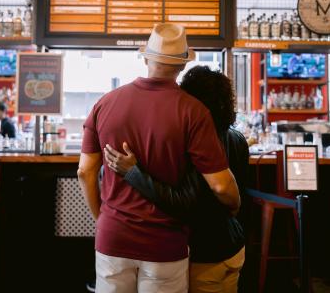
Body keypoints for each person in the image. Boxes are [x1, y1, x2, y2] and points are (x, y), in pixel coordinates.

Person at [78, 23, 241, 293]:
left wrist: (103, 219)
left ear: (145, 58)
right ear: (182, 66)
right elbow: (221, 185)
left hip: (113, 237)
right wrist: (235, 206)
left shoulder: (104, 104)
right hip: (165, 243)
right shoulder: (194, 112)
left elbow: (85, 172)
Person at [104, 66, 249, 293]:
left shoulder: (196, 145)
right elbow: (236, 194)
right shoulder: (238, 139)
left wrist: (134, 173)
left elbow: (185, 202)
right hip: (232, 246)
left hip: (204, 252)